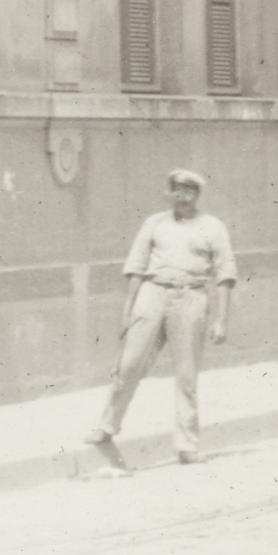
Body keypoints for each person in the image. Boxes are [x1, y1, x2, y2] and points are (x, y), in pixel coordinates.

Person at [85, 168, 238, 470]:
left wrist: (221, 319)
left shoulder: (213, 227)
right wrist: (128, 311)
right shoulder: (154, 224)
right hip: (152, 294)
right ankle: (106, 426)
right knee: (128, 365)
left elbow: (225, 275)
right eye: (177, 191)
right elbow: (137, 266)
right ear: (170, 193)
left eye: (189, 192)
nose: (183, 197)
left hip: (190, 298)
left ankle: (187, 446)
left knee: (186, 376)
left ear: (197, 195)